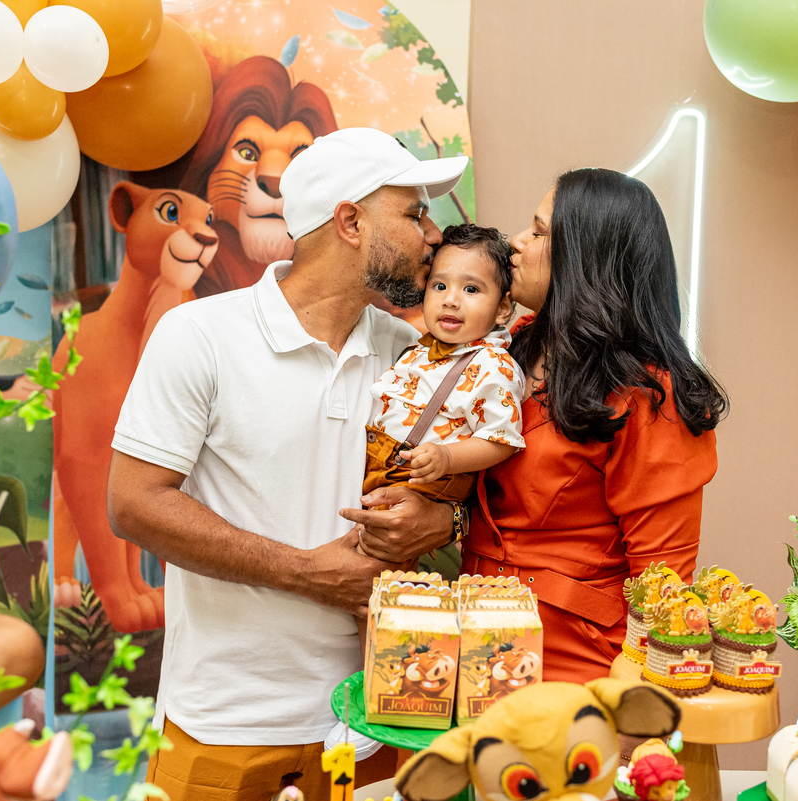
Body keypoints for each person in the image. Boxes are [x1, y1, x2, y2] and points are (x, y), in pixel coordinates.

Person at [106, 127, 469, 801]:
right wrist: (307, 573)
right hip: (224, 725)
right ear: (350, 220)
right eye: (414, 212)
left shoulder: (412, 354)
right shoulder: (200, 336)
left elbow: (463, 487)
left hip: (374, 722)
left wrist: (441, 518)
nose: (432, 233)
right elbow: (134, 503)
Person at [460, 168, 729, 684]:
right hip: (472, 640)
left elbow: (662, 585)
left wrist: (628, 714)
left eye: (538, 232)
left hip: (575, 669)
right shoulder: (507, 350)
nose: (516, 242)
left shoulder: (649, 396)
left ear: (585, 261)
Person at [356, 223, 525, 651]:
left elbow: (502, 439)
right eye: (440, 285)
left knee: (393, 595)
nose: (451, 299)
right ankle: (376, 670)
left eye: (471, 290)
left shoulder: (493, 365)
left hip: (427, 485)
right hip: (383, 470)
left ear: (503, 308)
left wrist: (448, 458)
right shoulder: (418, 347)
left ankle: (395, 675)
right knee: (368, 592)